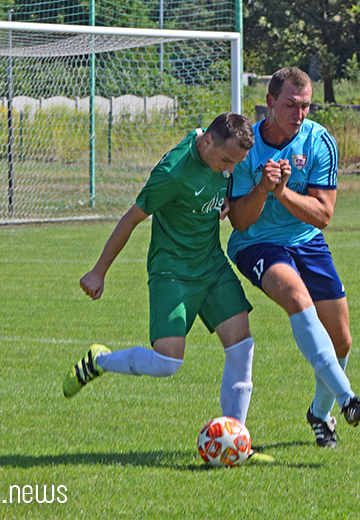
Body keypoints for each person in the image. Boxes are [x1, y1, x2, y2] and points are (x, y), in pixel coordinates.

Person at [63, 112, 256, 427]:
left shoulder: (219, 148)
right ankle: (99, 362)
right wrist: (99, 271)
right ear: (207, 142)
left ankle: (236, 438)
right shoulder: (172, 174)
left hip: (212, 266)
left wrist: (227, 196)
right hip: (172, 271)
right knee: (167, 361)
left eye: (236, 163)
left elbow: (227, 172)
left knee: (241, 345)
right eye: (226, 161)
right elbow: (131, 219)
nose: (230, 169)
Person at [226, 67, 360, 448]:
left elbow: (323, 215)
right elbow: (241, 223)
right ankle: (347, 401)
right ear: (270, 102)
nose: (299, 113)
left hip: (307, 241)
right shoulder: (247, 145)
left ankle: (318, 414)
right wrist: (263, 186)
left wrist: (280, 191)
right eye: (291, 104)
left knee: (340, 341)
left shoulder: (319, 141)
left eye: (306, 105)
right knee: (297, 297)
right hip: (257, 244)